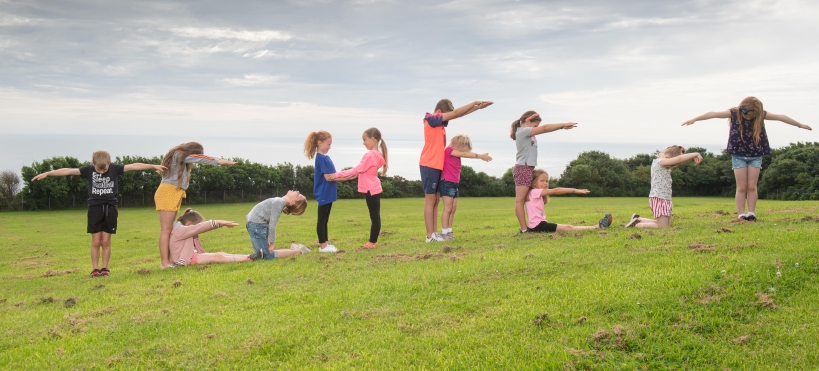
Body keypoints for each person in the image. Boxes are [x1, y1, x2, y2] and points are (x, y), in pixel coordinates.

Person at [31, 150, 166, 277]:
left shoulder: (115, 169)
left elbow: (134, 166)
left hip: (110, 208)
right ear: (93, 164)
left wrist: (152, 165)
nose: (101, 172)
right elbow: (67, 171)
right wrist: (48, 173)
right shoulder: (87, 170)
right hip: (95, 208)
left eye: (104, 169)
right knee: (96, 242)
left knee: (106, 241)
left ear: (110, 163)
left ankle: (105, 268)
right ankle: (95, 269)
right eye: (98, 169)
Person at [682, 96, 812, 221]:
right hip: (738, 155)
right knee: (742, 187)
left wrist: (800, 125)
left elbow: (781, 117)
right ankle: (741, 215)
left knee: (752, 186)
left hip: (755, 155)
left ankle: (751, 213)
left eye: (750, 114)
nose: (747, 116)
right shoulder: (734, 113)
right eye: (745, 112)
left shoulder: (761, 115)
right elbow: (713, 114)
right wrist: (694, 119)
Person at [420, 99, 493, 242]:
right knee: (430, 201)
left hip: (436, 165)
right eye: (448, 115)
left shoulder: (440, 125)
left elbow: (457, 115)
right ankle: (430, 236)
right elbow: (456, 113)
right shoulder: (431, 118)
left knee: (435, 200)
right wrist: (474, 103)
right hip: (429, 163)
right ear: (440, 112)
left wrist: (477, 108)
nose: (451, 118)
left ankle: (435, 233)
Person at [155, 142, 236, 268]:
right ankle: (164, 263)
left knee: (169, 229)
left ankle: (169, 260)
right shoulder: (179, 154)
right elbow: (201, 159)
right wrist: (220, 161)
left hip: (173, 193)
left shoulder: (179, 156)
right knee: (166, 229)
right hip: (168, 193)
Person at [511, 111, 577, 233]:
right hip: (523, 168)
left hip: (528, 168)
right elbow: (545, 128)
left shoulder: (528, 133)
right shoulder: (522, 131)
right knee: (520, 201)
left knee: (527, 198)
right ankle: (524, 230)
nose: (536, 129)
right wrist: (562, 125)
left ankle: (533, 224)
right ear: (527, 121)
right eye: (535, 126)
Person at [332, 127, 388, 248]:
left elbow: (356, 170)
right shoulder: (377, 154)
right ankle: (373, 241)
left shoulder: (370, 155)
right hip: (374, 187)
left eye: (364, 139)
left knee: (374, 216)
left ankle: (372, 242)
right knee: (375, 215)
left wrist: (335, 175)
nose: (363, 143)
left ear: (373, 139)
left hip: (371, 189)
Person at [624, 145, 703, 228]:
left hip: (665, 199)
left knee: (666, 224)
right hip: (659, 198)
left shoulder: (663, 164)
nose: (672, 166)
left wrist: (690, 157)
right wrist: (695, 154)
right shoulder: (659, 162)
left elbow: (679, 161)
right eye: (672, 163)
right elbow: (679, 159)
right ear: (667, 157)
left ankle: (638, 219)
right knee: (663, 226)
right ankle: (636, 225)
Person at [169, 209, 272, 266]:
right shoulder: (179, 231)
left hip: (193, 256)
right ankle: (249, 258)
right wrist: (219, 222)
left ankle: (250, 256)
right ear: (188, 224)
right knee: (218, 257)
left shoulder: (184, 230)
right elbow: (200, 227)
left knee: (221, 254)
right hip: (188, 259)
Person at [438, 134, 492, 240]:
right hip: (447, 183)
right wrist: (480, 156)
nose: (464, 152)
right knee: (448, 208)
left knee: (453, 209)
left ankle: (449, 231)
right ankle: (444, 232)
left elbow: (463, 153)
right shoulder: (449, 150)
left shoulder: (456, 154)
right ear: (458, 145)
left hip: (454, 184)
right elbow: (464, 154)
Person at [526, 169, 612, 232]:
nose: (545, 183)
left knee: (567, 227)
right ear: (534, 183)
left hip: (539, 225)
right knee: (569, 228)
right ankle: (598, 227)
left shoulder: (536, 193)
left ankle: (597, 226)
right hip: (538, 226)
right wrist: (575, 190)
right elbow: (556, 191)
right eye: (542, 181)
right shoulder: (534, 192)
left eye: (547, 181)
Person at [303, 130, 348, 253]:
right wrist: (349, 176)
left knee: (325, 220)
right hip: (323, 192)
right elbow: (329, 177)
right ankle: (323, 246)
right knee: (322, 220)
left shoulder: (325, 157)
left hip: (329, 193)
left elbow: (332, 175)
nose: (330, 147)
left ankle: (326, 244)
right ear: (320, 142)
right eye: (328, 144)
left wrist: (345, 176)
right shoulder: (321, 158)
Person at [246, 191, 310, 259]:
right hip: (256, 227)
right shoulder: (279, 201)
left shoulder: (279, 202)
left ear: (292, 201)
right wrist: (268, 237)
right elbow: (268, 220)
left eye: (298, 195)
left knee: (265, 256)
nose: (298, 191)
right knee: (264, 255)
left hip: (256, 227)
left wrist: (272, 243)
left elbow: (272, 224)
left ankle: (299, 251)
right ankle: (297, 250)